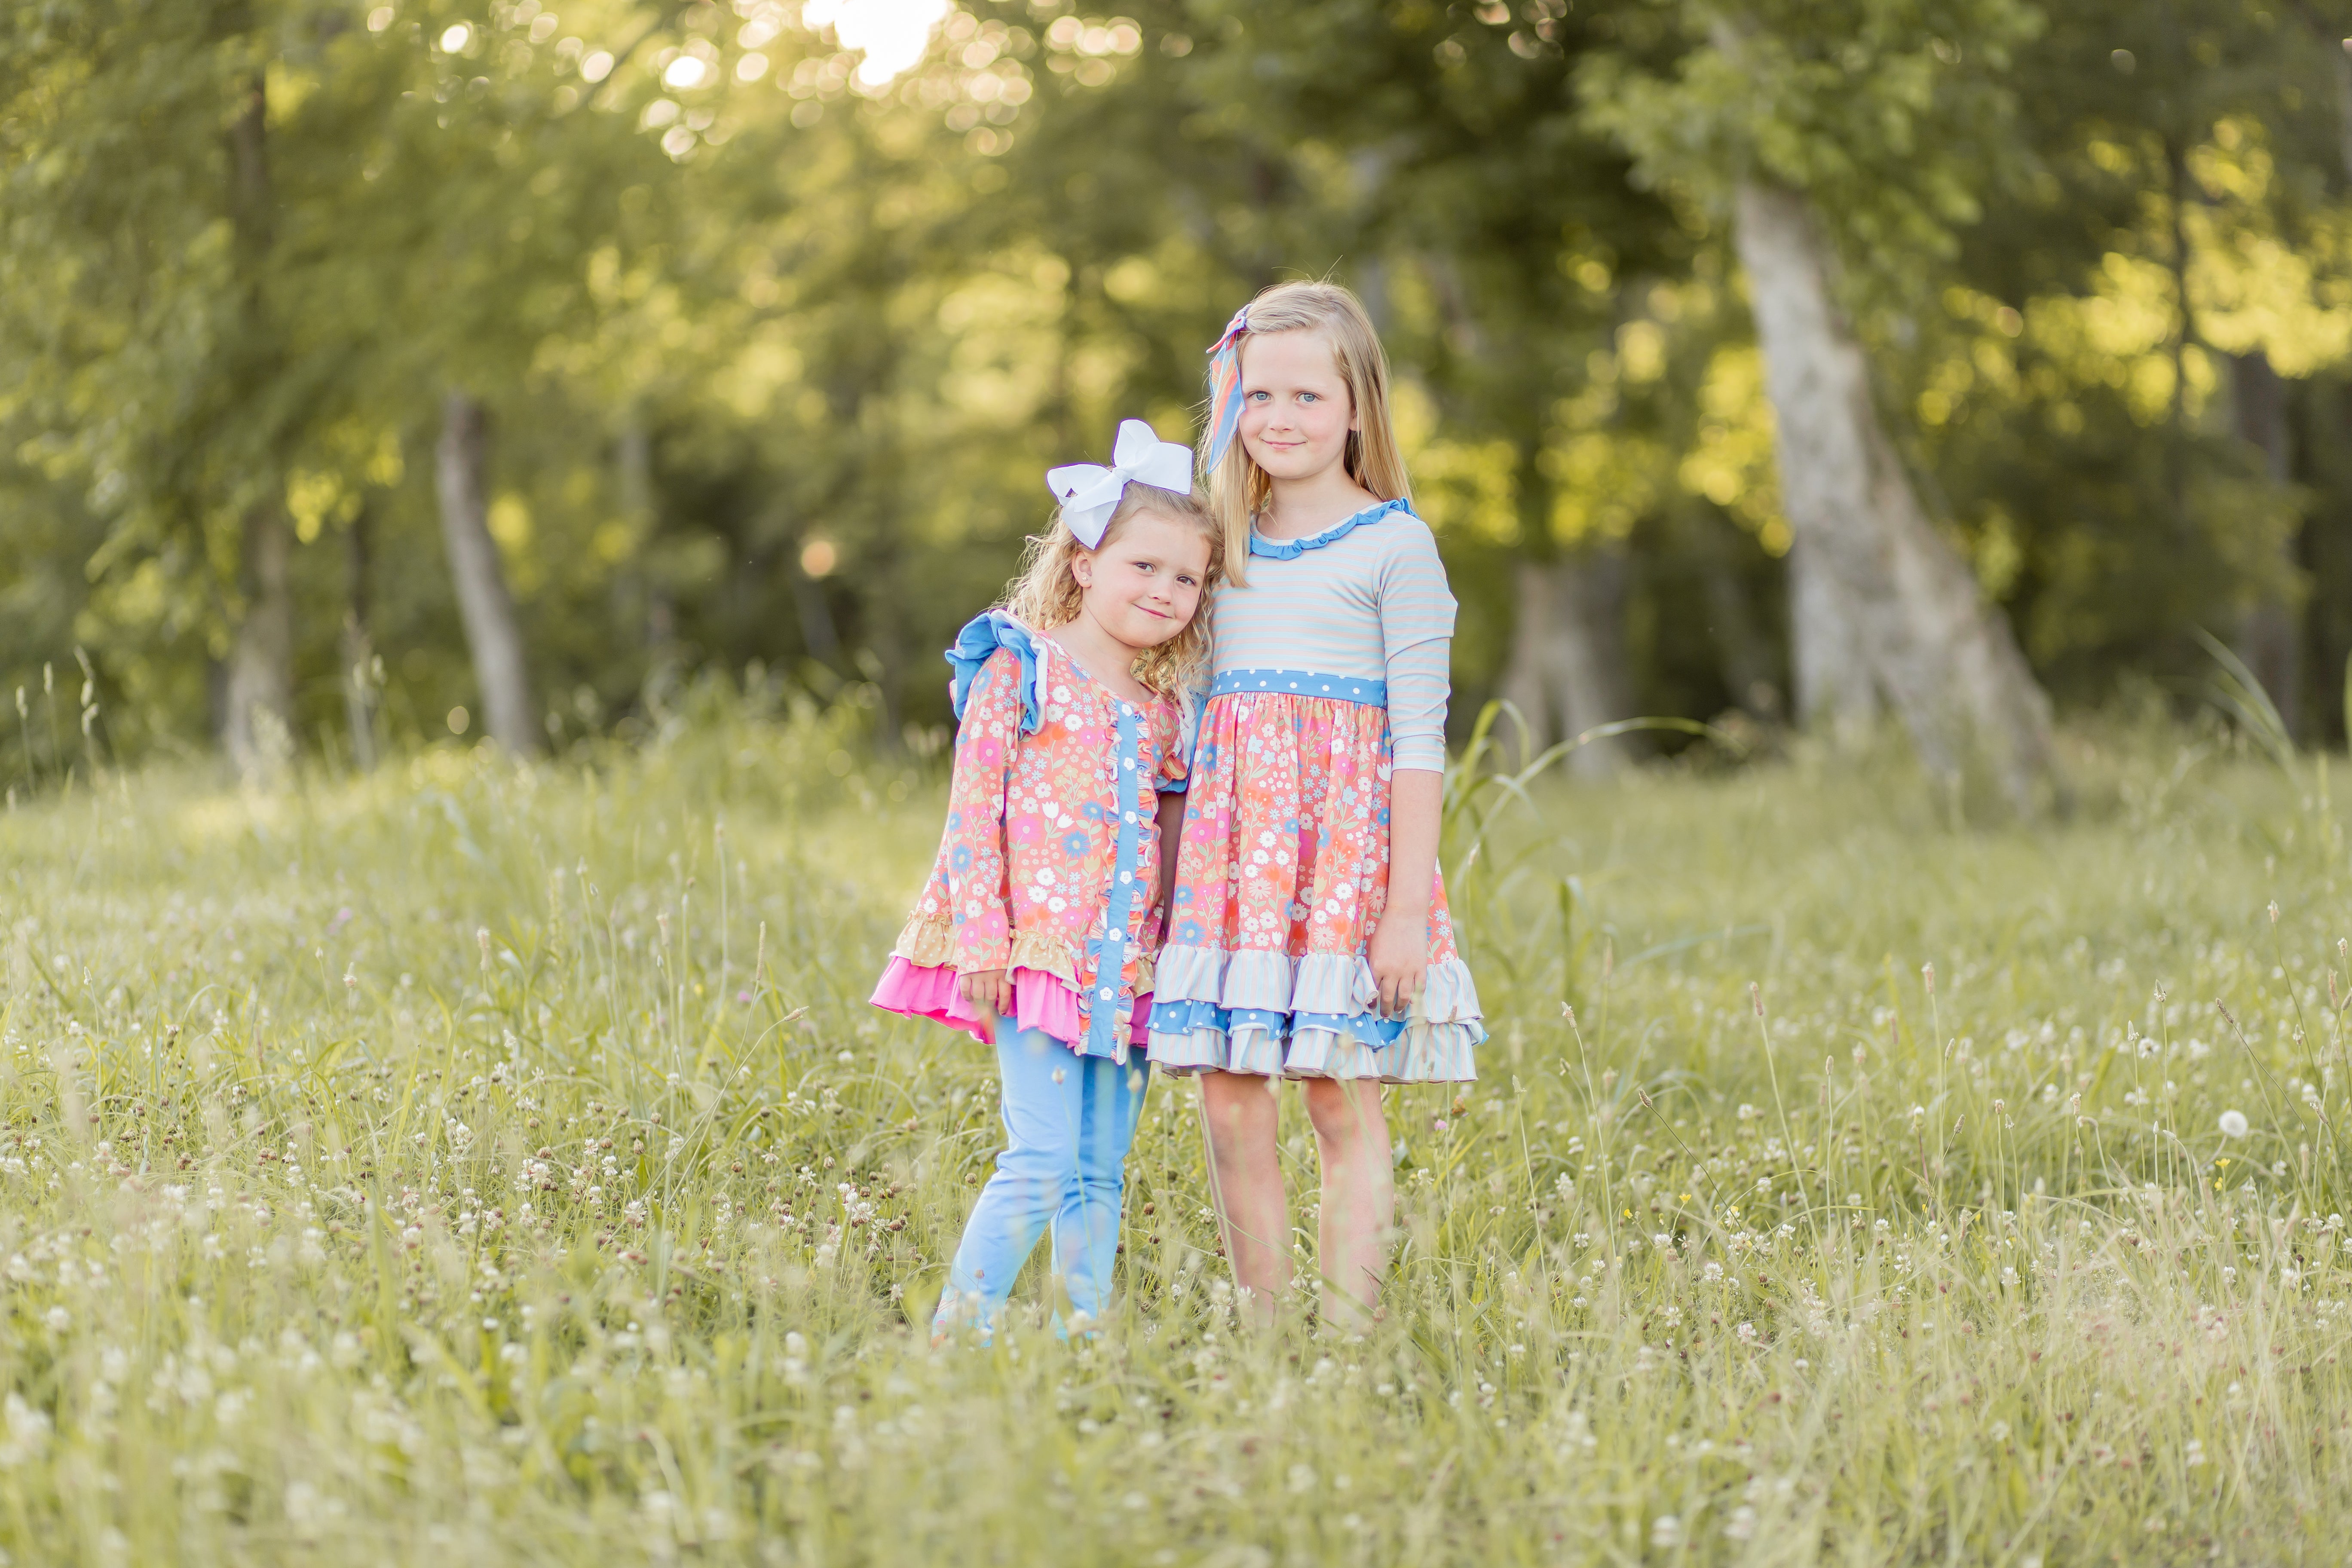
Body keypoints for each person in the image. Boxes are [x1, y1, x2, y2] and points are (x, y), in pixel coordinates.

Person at [1148, 281, 1483, 1328]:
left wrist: (1406, 914)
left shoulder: (1396, 547)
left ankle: (1347, 1332)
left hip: (1347, 866)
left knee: (1340, 1093)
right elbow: (1173, 712)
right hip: (1228, 859)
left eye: (1305, 397)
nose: (1280, 419)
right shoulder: (1216, 543)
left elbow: (1420, 746)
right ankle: (1264, 1325)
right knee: (1230, 1096)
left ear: (1355, 408)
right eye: (1257, 397)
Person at [871, 420, 1222, 1340]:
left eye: (1187, 578)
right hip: (1034, 958)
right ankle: (957, 1333)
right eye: (1143, 567)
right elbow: (971, 815)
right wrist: (983, 940)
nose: (1166, 591)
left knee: (1100, 1166)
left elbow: (1172, 838)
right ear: (1083, 563)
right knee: (1040, 1155)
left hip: (1125, 968)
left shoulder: (1164, 713)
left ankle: (1080, 1335)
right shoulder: (1021, 666)